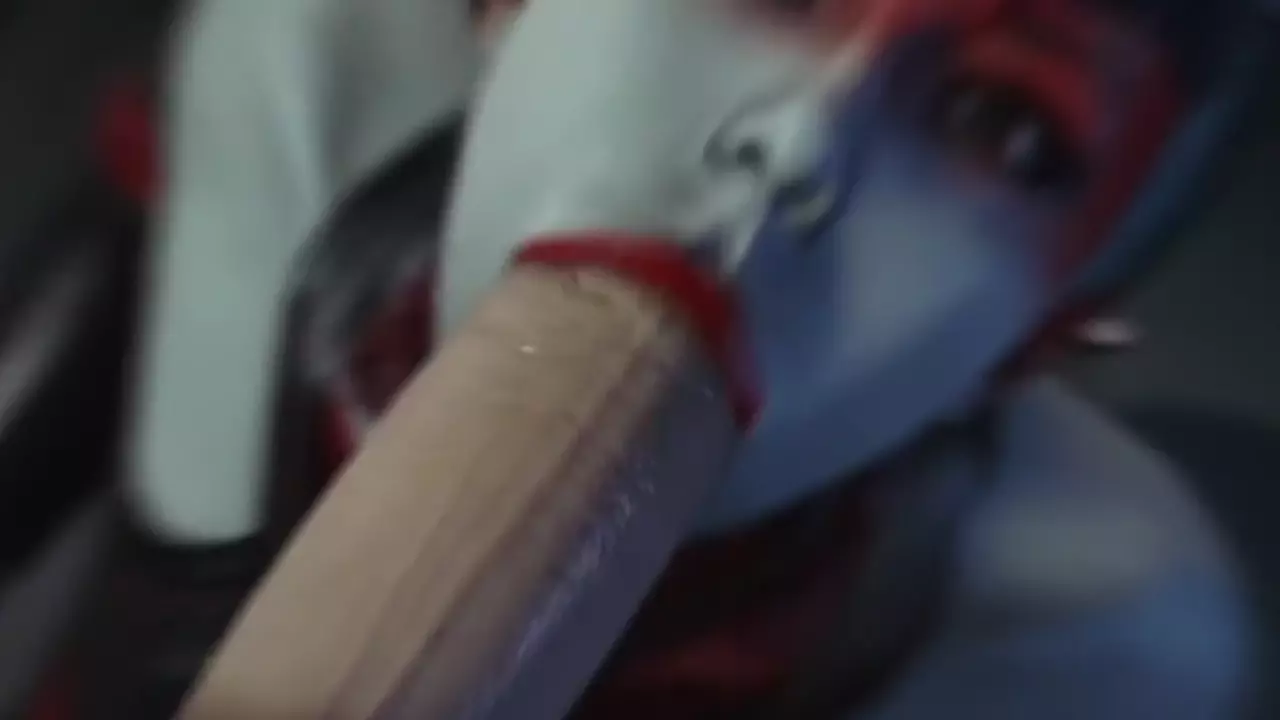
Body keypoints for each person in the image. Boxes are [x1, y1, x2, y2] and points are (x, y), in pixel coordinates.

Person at [57, 0, 1276, 717]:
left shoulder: (1097, 626)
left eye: (999, 126)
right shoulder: (308, 80)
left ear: (1035, 342)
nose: (795, 141)